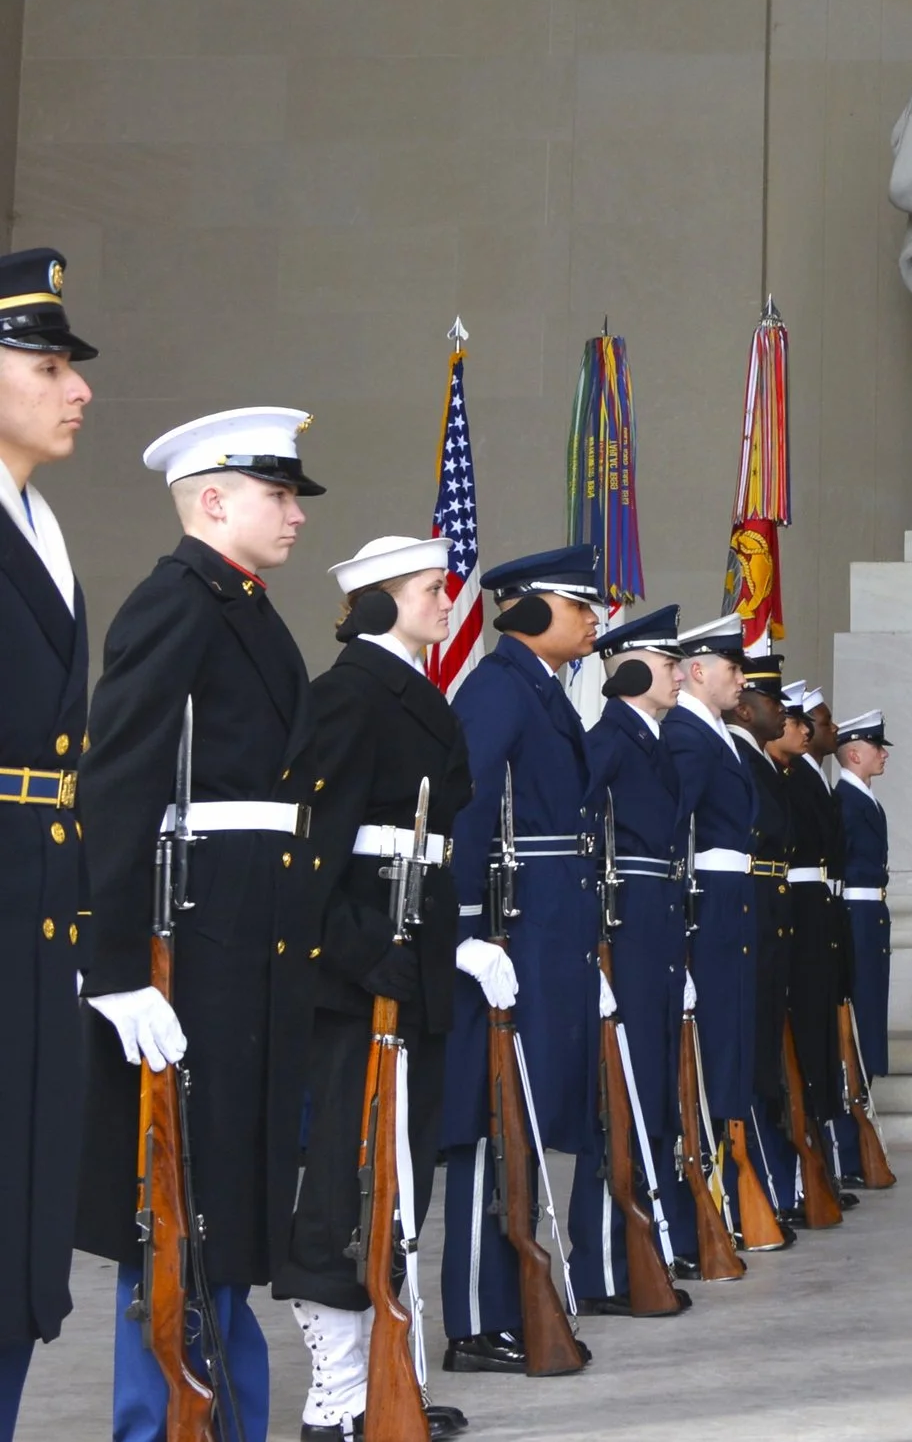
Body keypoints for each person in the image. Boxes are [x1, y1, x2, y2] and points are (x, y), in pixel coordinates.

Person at [78, 407, 323, 1442]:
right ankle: (164, 1418)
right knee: (179, 1200)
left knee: (222, 1195)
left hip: (245, 940)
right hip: (200, 938)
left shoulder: (249, 607)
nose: (296, 515)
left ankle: (223, 1414)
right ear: (214, 497)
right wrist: (116, 963)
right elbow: (121, 780)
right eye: (278, 494)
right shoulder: (181, 601)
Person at [279, 534, 476, 1440]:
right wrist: (360, 954)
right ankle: (336, 1394)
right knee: (346, 1184)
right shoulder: (349, 693)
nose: (447, 602)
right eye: (433, 589)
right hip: (366, 971)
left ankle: (387, 1380)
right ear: (378, 601)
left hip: (419, 953)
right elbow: (312, 853)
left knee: (404, 1177)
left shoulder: (414, 689)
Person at [437, 544, 604, 1373]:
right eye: (580, 606)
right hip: (512, 933)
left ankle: (510, 1297)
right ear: (534, 610)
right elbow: (467, 809)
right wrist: (466, 928)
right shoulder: (502, 687)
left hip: (549, 932)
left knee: (525, 1118)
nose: (592, 619)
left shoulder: (545, 689)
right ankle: (476, 1313)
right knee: (495, 1115)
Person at [0, 249, 91, 1439]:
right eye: (51, 363)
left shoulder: (41, 519)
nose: (76, 389)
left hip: (39, 900)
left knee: (26, 1212)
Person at [577, 603, 698, 1307]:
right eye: (665, 661)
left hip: (655, 932)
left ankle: (640, 1250)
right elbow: (582, 826)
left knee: (650, 1092)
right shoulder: (612, 737)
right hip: (623, 932)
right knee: (615, 1100)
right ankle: (599, 1272)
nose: (679, 673)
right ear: (627, 668)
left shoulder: (651, 739)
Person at [663, 616, 765, 1245]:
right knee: (712, 1050)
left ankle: (725, 1198)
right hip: (709, 905)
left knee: (732, 1044)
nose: (741, 680)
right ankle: (705, 1207)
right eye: (732, 668)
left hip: (732, 903)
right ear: (697, 670)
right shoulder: (686, 734)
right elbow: (677, 831)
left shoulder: (715, 733)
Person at [777, 684, 855, 1200]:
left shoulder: (809, 774)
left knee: (824, 1042)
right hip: (800, 916)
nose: (819, 730)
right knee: (805, 1041)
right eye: (814, 721)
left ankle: (823, 1164)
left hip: (818, 914)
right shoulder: (793, 773)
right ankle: (809, 1172)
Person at [732, 674, 803, 1232]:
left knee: (768, 1064)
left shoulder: (764, 761)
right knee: (751, 1063)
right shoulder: (735, 753)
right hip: (746, 914)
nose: (783, 712)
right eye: (771, 701)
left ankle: (779, 1178)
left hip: (770, 917)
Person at [826, 707, 894, 1188]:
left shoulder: (862, 798)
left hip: (869, 913)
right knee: (853, 1028)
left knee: (866, 1023)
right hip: (855, 914)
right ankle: (848, 1149)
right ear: (854, 753)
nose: (883, 753)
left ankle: (856, 1141)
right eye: (876, 746)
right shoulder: (847, 802)